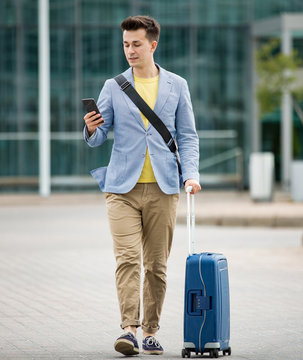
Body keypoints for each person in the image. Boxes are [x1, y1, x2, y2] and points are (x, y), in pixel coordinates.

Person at [83, 15, 201, 356]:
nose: (130, 50)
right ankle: (129, 330)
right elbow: (98, 138)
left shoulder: (177, 85)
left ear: (152, 44)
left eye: (136, 44)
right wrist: (91, 128)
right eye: (125, 44)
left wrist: (191, 174)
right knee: (127, 259)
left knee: (157, 265)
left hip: (164, 188)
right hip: (121, 187)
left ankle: (150, 331)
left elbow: (188, 136)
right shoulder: (113, 85)